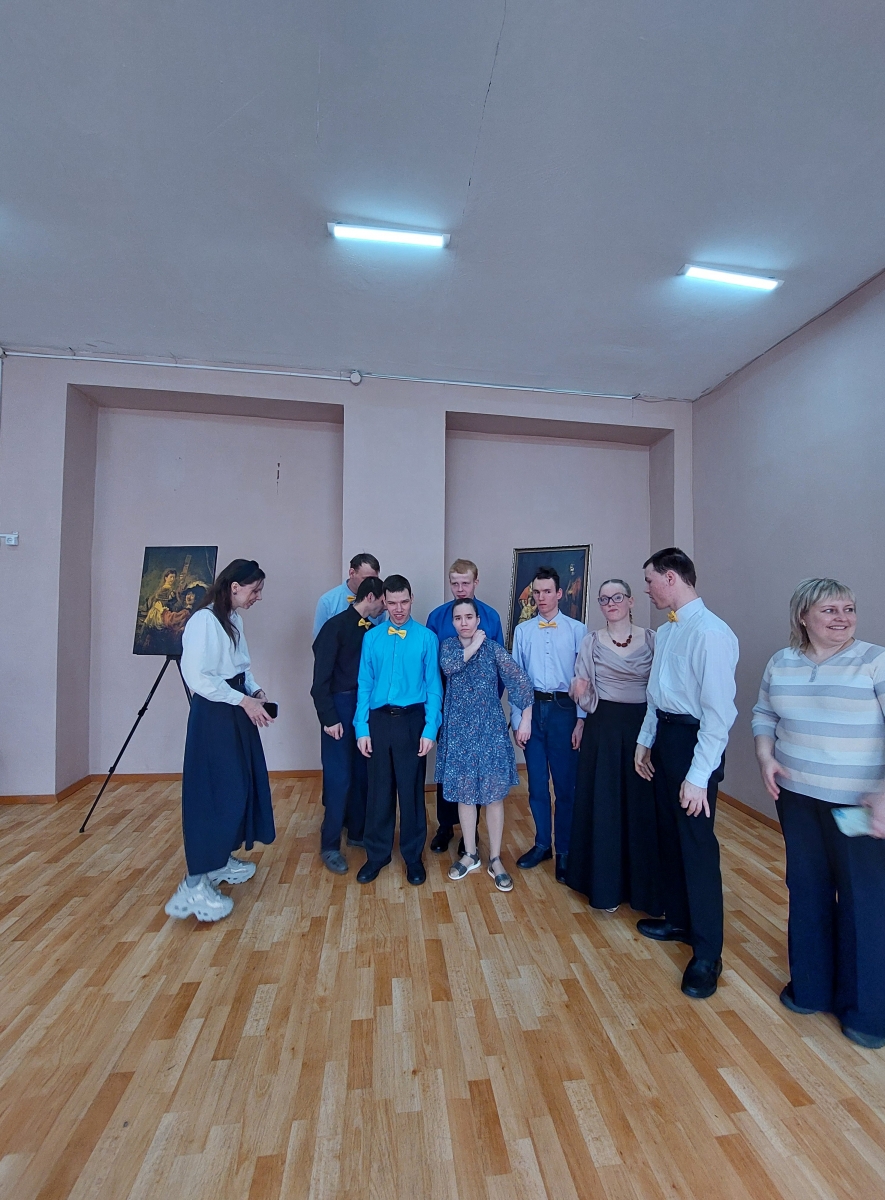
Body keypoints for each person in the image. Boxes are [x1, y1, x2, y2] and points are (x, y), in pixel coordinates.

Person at [752, 578, 885, 1050]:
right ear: (803, 617)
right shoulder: (781, 662)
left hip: (857, 804)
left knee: (864, 901)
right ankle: (810, 988)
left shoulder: (874, 660)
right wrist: (766, 757)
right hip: (797, 799)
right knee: (807, 889)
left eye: (848, 609)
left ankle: (867, 1013)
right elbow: (764, 714)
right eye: (829, 610)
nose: (841, 618)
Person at [634, 547, 738, 1000]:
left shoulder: (712, 634)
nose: (647, 589)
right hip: (666, 739)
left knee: (696, 847)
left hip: (696, 746)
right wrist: (645, 740)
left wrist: (697, 777)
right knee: (669, 837)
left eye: (650, 581)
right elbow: (656, 695)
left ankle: (708, 954)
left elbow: (719, 716)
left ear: (671, 578)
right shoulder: (667, 630)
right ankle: (678, 920)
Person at [165, 559, 276, 922]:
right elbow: (198, 678)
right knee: (214, 793)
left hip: (235, 709)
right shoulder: (203, 621)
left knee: (239, 787)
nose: (258, 597)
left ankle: (219, 860)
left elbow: (241, 667)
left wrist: (254, 691)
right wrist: (242, 700)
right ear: (234, 587)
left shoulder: (233, 620)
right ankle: (193, 885)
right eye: (255, 590)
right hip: (215, 716)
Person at [566, 579, 662, 915]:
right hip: (603, 729)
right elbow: (583, 688)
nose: (611, 603)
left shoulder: (653, 639)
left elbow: (661, 688)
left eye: (617, 597)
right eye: (604, 599)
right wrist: (578, 692)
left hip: (642, 727)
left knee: (641, 806)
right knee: (604, 805)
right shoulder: (591, 642)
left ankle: (644, 890)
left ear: (631, 601)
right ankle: (605, 886)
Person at [436, 598, 534, 891]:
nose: (463, 622)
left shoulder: (493, 649)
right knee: (465, 796)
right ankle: (470, 854)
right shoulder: (449, 647)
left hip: (489, 734)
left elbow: (520, 682)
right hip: (460, 735)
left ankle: (495, 858)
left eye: (469, 617)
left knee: (493, 797)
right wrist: (475, 644)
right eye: (458, 618)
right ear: (453, 622)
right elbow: (450, 667)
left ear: (478, 620)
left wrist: (525, 719)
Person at [355, 574, 442, 885]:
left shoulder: (427, 639)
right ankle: (376, 854)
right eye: (392, 603)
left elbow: (433, 687)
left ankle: (413, 857)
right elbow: (364, 684)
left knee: (411, 791)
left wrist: (430, 728)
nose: (399, 609)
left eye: (404, 601)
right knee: (378, 791)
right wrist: (361, 728)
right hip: (378, 720)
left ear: (411, 599)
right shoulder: (372, 638)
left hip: (412, 720)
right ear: (383, 602)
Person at [510, 567, 586, 883]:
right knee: (537, 785)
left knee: (565, 787)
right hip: (532, 711)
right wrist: (518, 720)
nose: (541, 597)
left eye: (547, 591)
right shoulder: (523, 631)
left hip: (564, 711)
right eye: (537, 592)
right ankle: (543, 844)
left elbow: (584, 678)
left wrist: (581, 720)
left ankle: (565, 850)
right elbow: (517, 679)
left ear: (559, 593)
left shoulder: (578, 630)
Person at [426, 558, 505, 854]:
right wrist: (436, 708)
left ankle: (470, 837)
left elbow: (499, 667)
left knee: (477, 771)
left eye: (465, 583)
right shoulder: (437, 617)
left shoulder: (490, 617)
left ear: (476, 582)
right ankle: (445, 826)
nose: (460, 589)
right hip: (449, 708)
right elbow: (432, 667)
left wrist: (488, 705)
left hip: (482, 711)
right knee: (450, 768)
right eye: (455, 583)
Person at [310, 575, 387, 874]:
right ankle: (330, 844)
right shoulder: (334, 627)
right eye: (383, 602)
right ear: (371, 597)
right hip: (339, 709)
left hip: (362, 706)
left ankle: (357, 832)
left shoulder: (369, 629)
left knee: (361, 773)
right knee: (338, 777)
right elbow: (320, 681)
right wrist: (329, 718)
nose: (385, 608)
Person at [313, 553, 381, 638]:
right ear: (352, 573)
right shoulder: (327, 601)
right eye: (366, 579)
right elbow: (320, 639)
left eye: (374, 579)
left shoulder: (379, 601)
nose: (371, 584)